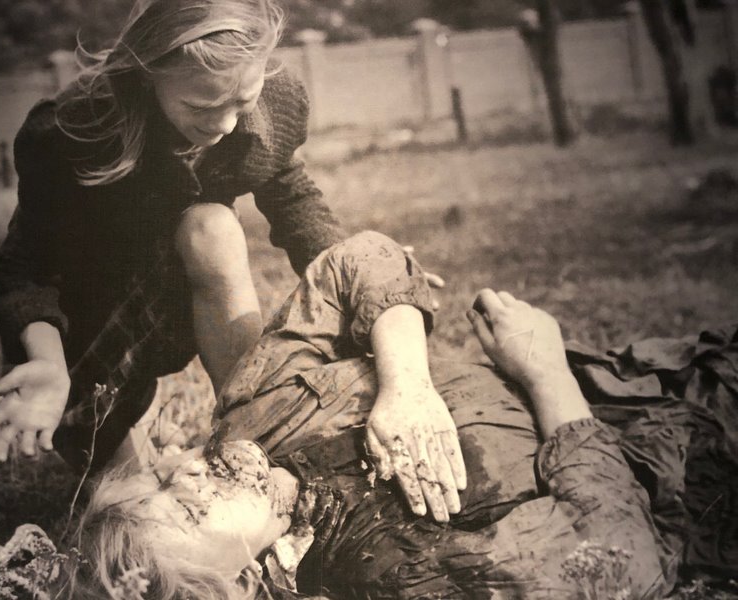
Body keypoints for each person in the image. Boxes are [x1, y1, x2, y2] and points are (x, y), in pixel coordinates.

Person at [69, 232, 738, 599]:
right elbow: (620, 559)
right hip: (706, 449)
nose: (190, 470)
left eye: (162, 476)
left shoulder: (255, 413)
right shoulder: (394, 577)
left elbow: (358, 260)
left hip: (660, 365)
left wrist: (407, 384)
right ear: (237, 585)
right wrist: (546, 373)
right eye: (188, 512)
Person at [0, 0, 349, 471]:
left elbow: (292, 195)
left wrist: (354, 272)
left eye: (242, 101)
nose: (225, 124)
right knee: (132, 501)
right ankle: (114, 431)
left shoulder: (273, 104)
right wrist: (47, 363)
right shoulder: (74, 130)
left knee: (212, 226)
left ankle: (252, 428)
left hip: (177, 300)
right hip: (89, 327)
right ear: (148, 74)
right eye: (201, 105)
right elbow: (27, 269)